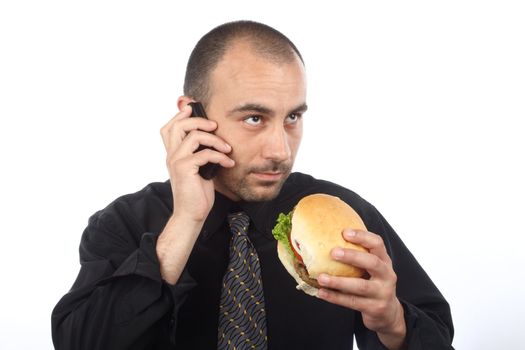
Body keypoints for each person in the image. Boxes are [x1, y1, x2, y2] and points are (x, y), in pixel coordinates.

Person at [51, 20, 454, 350]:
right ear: (192, 114)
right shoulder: (124, 222)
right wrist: (186, 221)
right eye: (254, 119)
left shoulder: (342, 215)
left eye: (292, 118)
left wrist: (395, 324)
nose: (280, 150)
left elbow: (436, 335)